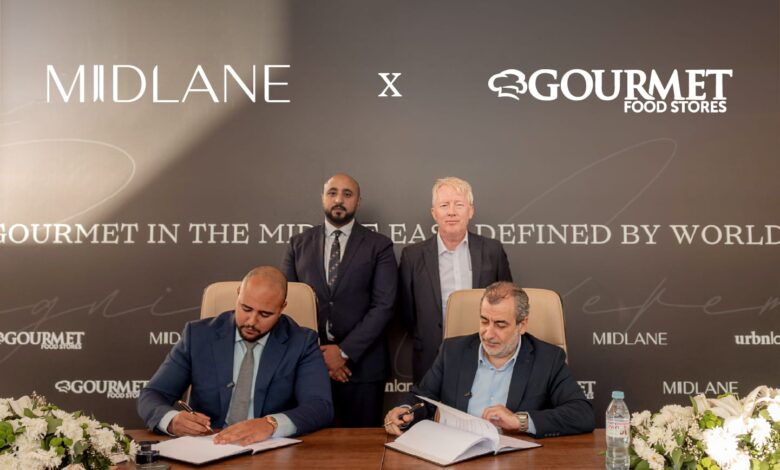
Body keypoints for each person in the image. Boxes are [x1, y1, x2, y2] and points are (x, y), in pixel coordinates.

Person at [137, 267, 333, 445]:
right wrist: (172, 420)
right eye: (246, 308)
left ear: (282, 308)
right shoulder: (197, 336)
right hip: (208, 446)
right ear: (238, 294)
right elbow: (153, 394)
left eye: (265, 314)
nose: (252, 321)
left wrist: (271, 424)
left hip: (269, 450)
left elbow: (320, 406)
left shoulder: (302, 342)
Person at [385, 281, 595, 438]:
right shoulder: (453, 351)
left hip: (517, 458)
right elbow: (422, 398)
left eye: (500, 324)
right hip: (458, 454)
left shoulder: (547, 359)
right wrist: (405, 411)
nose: (488, 333)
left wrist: (519, 421)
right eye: (484, 321)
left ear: (522, 325)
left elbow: (582, 414)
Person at [281, 173, 397, 427]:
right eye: (332, 193)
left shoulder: (379, 246)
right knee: (310, 445)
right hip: (310, 365)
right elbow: (290, 305)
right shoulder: (298, 244)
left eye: (347, 194)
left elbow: (384, 306)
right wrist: (320, 355)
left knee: (362, 447)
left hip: (363, 369)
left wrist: (343, 352)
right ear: (323, 197)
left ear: (358, 201)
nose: (339, 200)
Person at [399, 177, 513, 382]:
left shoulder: (492, 250)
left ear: (470, 211)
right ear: (434, 213)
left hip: (486, 354)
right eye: (444, 205)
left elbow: (508, 302)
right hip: (430, 358)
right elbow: (406, 312)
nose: (451, 212)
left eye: (459, 205)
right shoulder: (412, 256)